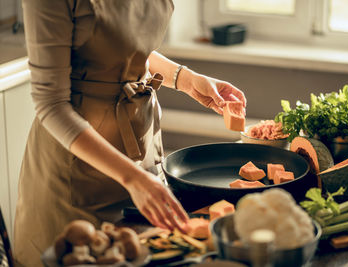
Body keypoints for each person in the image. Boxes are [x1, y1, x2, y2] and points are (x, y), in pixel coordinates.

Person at [14, 0, 247, 266]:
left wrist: (186, 79)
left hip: (140, 157)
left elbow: (122, 49)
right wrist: (131, 177)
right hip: (77, 173)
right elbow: (51, 104)